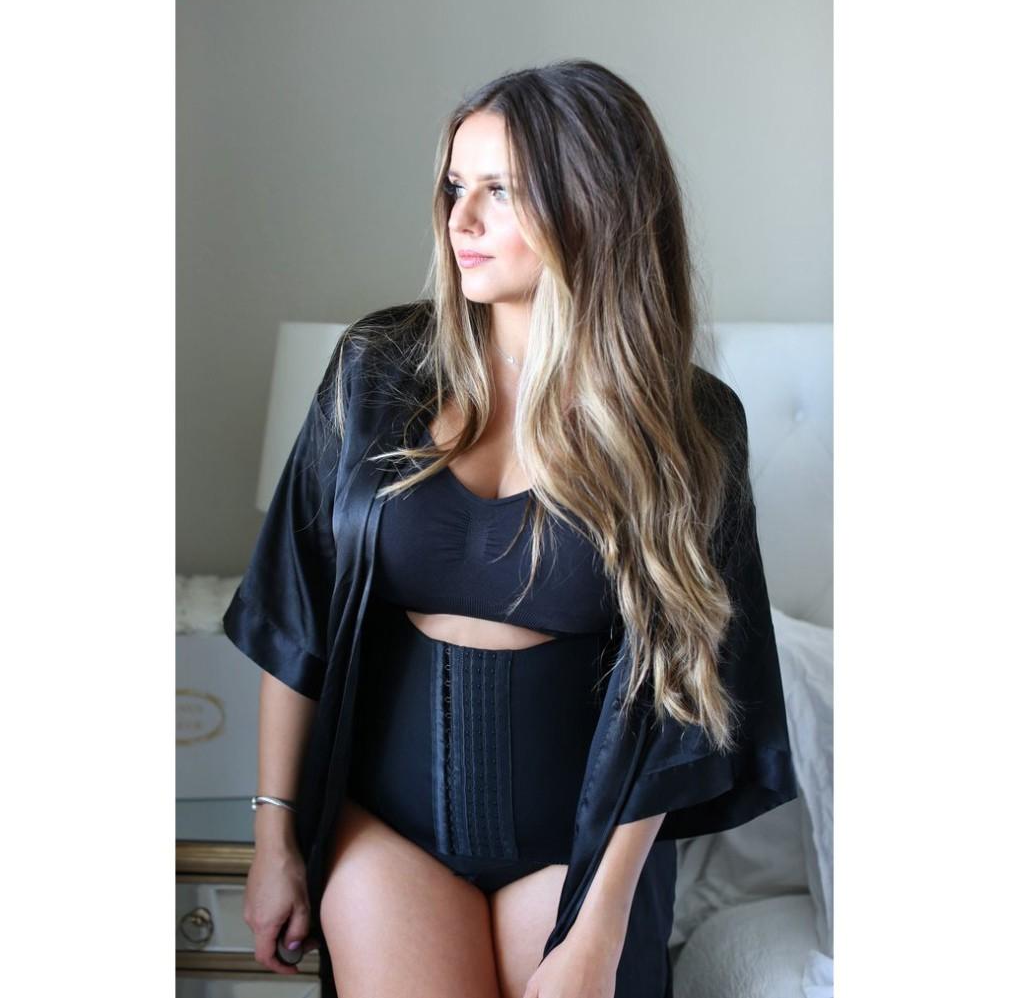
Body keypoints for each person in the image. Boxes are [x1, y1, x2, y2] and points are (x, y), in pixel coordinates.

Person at [224, 59, 798, 998]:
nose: (461, 219)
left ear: (594, 205)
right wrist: (274, 837)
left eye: (500, 190)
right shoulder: (374, 370)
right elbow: (296, 620)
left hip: (583, 851)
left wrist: (600, 929)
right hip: (383, 831)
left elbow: (682, 693)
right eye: (455, 186)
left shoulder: (690, 425)